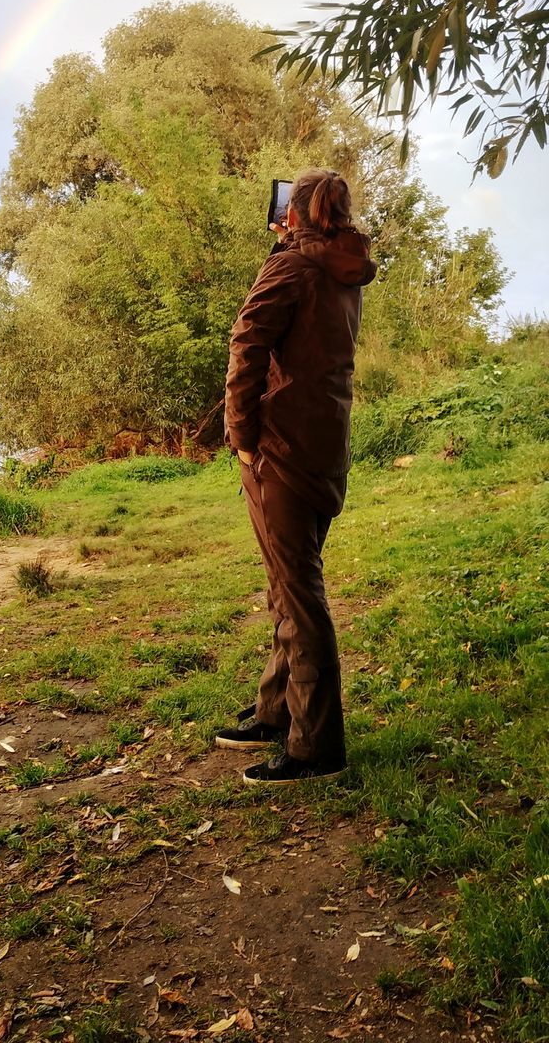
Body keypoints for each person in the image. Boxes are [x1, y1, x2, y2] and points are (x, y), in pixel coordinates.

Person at [217, 168, 377, 785]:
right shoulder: (345, 267)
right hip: (324, 447)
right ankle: (275, 710)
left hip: (282, 451)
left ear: (298, 213)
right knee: (289, 585)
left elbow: (246, 345)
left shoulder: (291, 265)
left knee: (299, 595)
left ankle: (316, 748)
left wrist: (243, 438)